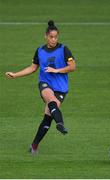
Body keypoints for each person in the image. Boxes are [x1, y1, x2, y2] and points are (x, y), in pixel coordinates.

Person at [5, 20, 76, 154]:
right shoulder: (40, 51)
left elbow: (73, 67)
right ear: (46, 36)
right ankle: (60, 124)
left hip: (61, 87)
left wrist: (56, 70)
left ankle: (34, 145)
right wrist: (15, 74)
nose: (53, 39)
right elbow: (33, 68)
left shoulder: (64, 49)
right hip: (45, 83)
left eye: (56, 37)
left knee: (48, 117)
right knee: (51, 101)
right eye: (51, 37)